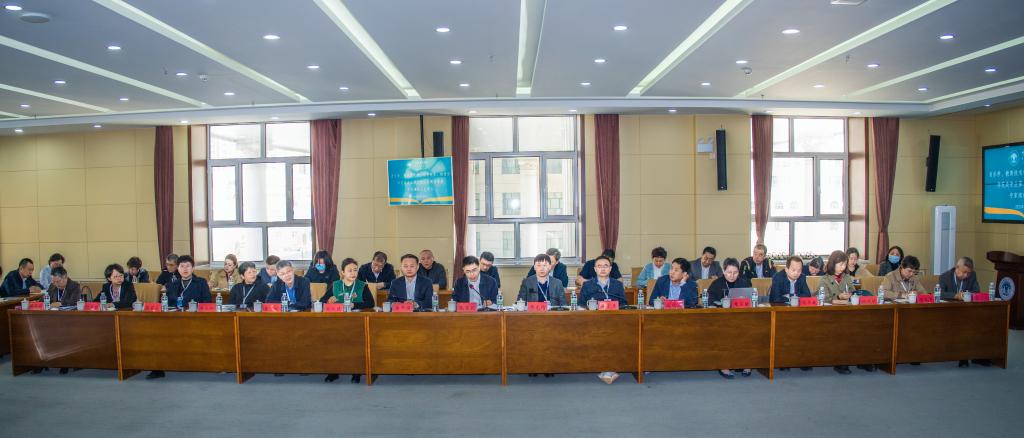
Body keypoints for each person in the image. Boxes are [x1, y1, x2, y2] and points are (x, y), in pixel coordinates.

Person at [321, 258, 375, 383]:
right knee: (333, 343)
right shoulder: (335, 285)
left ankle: (356, 372)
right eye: (349, 270)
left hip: (357, 322)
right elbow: (322, 300)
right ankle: (333, 372)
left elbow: (370, 303)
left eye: (355, 270)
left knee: (356, 344)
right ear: (343, 272)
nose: (353, 273)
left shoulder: (362, 285)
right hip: (337, 322)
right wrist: (328, 301)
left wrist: (354, 305)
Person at [818, 250, 861, 375]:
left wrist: (850, 294)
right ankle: (841, 362)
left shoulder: (847, 277)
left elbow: (853, 291)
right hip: (831, 314)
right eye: (841, 264)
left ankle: (863, 360)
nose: (843, 267)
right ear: (833, 264)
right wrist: (838, 297)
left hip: (848, 311)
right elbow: (823, 298)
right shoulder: (825, 279)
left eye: (844, 264)